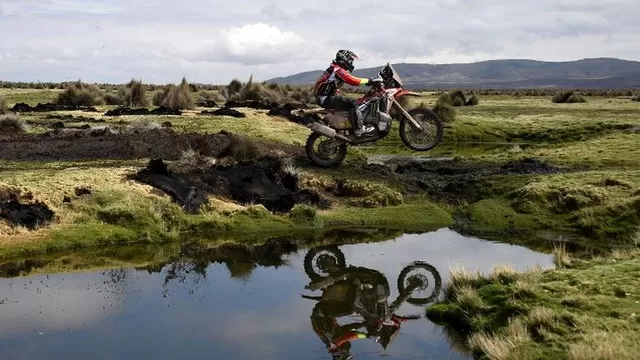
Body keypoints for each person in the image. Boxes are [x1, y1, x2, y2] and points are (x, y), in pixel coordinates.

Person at [314, 50, 383, 137]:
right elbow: (352, 80)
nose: (351, 63)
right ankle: (359, 129)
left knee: (352, 103)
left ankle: (348, 129)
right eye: (350, 60)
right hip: (325, 98)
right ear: (344, 59)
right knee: (352, 103)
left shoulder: (334, 68)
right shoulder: (338, 70)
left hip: (324, 97)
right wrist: (369, 80)